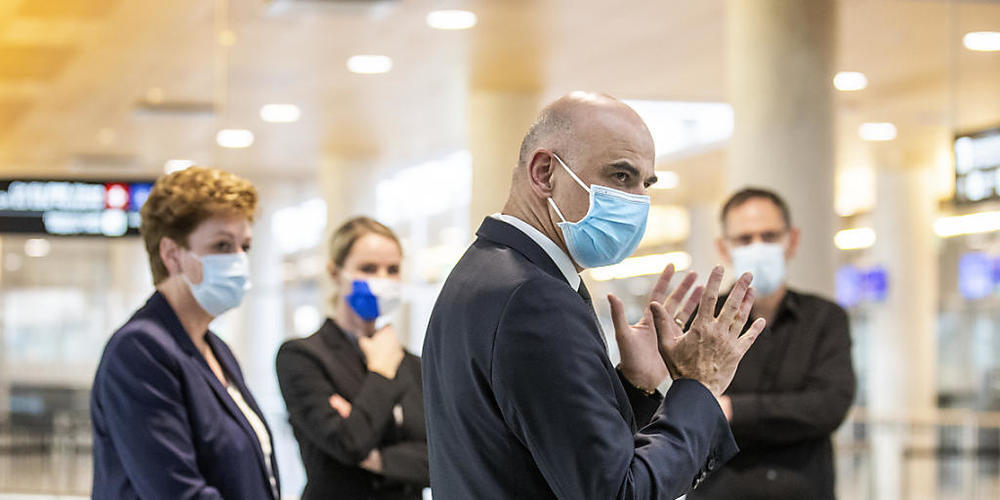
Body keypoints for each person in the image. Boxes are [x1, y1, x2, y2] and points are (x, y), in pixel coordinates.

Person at [421, 91, 767, 499]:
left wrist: (636, 387)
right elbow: (618, 492)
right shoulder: (534, 299)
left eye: (646, 183)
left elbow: (550, 450)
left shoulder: (481, 271)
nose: (638, 200)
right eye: (620, 176)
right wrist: (699, 387)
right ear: (545, 172)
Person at [90, 166, 279, 499]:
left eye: (244, 247)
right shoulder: (140, 350)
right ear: (172, 255)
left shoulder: (214, 348)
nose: (237, 260)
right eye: (222, 245)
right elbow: (178, 493)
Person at [687, 188, 856, 500]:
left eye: (769, 235)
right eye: (745, 239)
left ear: (791, 240)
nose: (758, 247)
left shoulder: (825, 318)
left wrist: (733, 410)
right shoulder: (703, 320)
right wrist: (788, 412)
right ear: (724, 247)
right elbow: (695, 412)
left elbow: (828, 406)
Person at [276, 216, 428, 500]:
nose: (382, 279)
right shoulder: (303, 357)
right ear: (335, 272)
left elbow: (439, 457)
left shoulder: (411, 365)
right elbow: (350, 443)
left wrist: (377, 459)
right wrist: (381, 372)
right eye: (368, 268)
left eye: (392, 269)